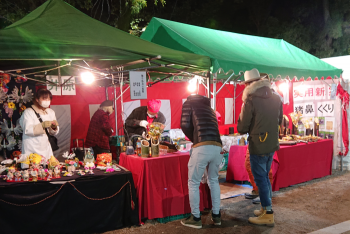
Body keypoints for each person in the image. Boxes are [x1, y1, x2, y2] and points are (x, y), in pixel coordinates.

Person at [237, 68, 283, 226]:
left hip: (258, 144)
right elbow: (279, 120)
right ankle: (265, 208)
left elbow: (242, 127)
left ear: (249, 84)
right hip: (272, 143)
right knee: (266, 177)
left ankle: (268, 213)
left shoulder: (250, 99)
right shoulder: (276, 97)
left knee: (261, 178)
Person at [180, 94, 223, 229]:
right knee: (214, 180)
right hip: (217, 145)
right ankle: (216, 216)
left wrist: (195, 138)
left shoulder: (188, 104)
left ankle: (195, 218)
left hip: (201, 146)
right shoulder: (210, 108)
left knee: (193, 182)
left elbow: (184, 125)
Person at [20, 88, 59, 161]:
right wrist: (42, 125)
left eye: (48, 99)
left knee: (47, 168)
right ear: (37, 99)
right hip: (31, 147)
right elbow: (27, 130)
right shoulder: (28, 112)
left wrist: (54, 128)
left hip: (45, 146)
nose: (47, 101)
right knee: (33, 169)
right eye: (44, 98)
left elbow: (53, 133)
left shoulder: (50, 112)